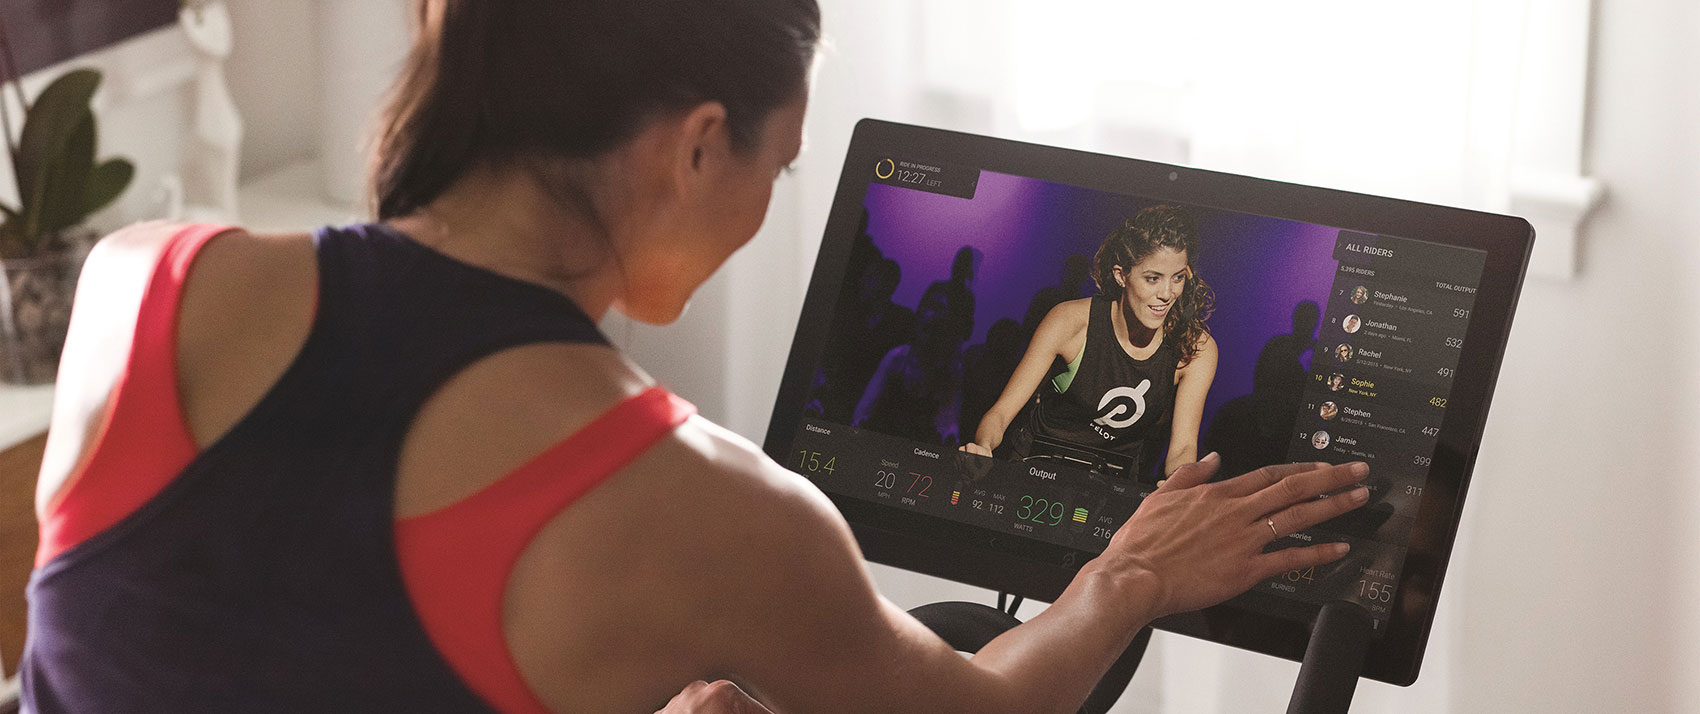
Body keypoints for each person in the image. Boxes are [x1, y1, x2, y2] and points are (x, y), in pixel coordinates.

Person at [23, 2, 1370, 713]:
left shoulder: (148, 282)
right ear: (696, 143)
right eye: (779, 167)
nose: (769, 203)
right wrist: (1123, 579)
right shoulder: (702, 509)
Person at [962, 206, 1219, 481]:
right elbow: (1001, 413)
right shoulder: (1069, 322)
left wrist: (1179, 484)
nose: (1167, 294)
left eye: (1177, 278)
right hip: (1034, 467)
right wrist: (983, 447)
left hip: (1112, 486)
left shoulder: (1195, 349)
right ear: (1122, 275)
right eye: (1153, 278)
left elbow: (1182, 448)